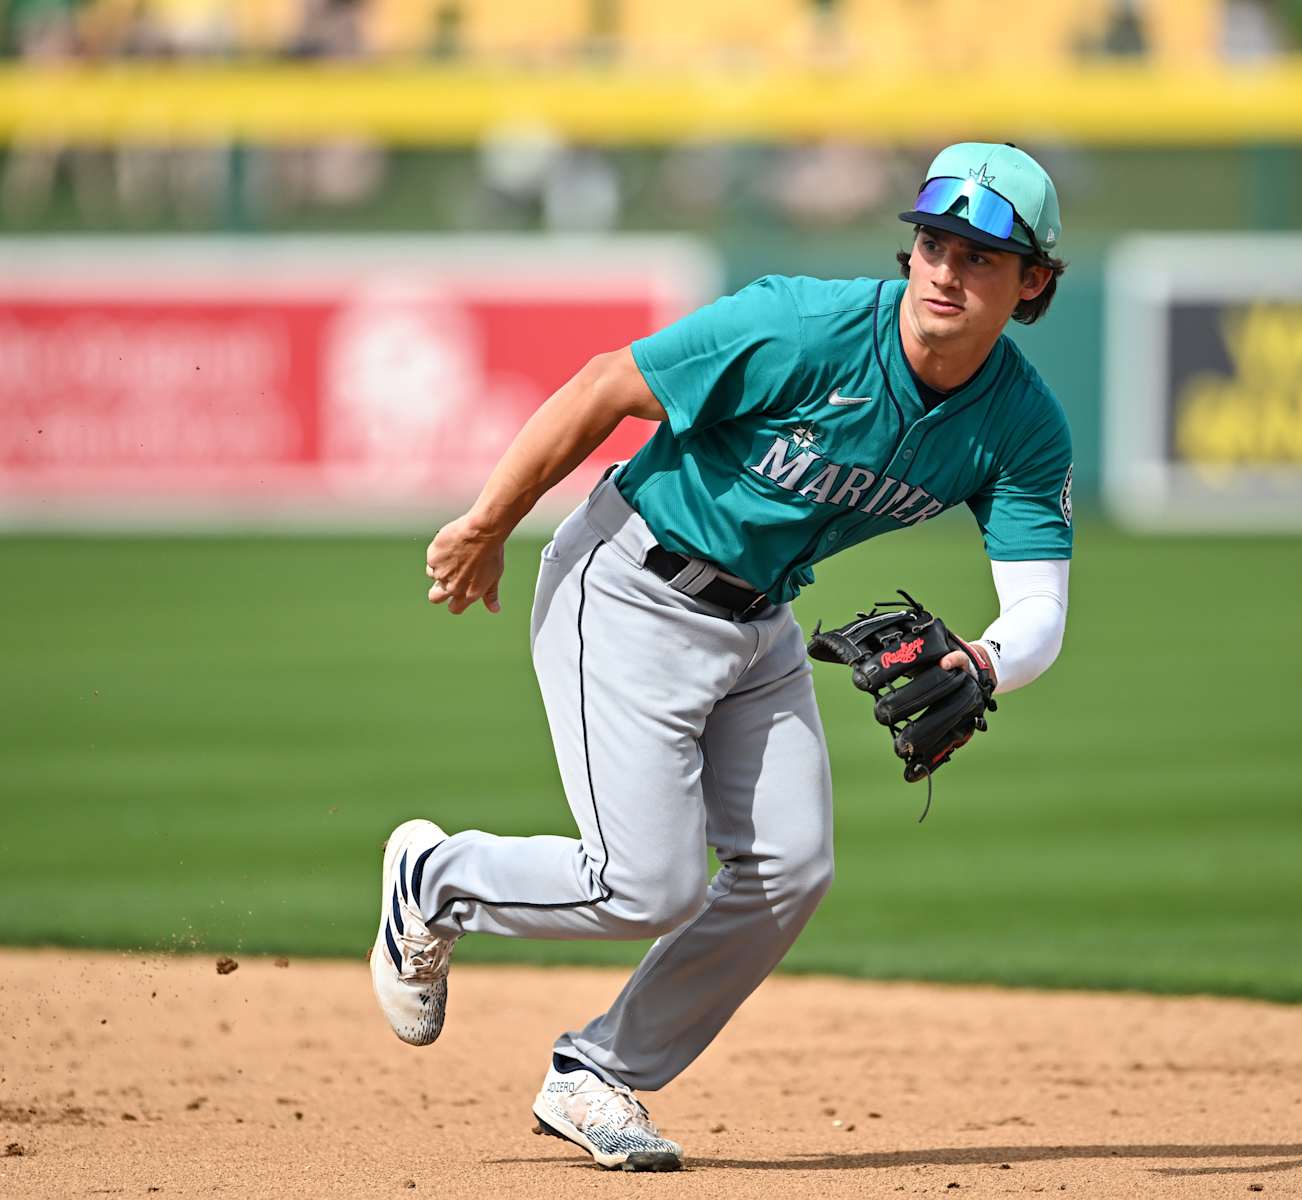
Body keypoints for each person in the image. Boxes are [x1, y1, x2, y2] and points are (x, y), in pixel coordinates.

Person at [368, 141, 1075, 1172]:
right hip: (627, 585)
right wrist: (487, 524)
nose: (944, 271)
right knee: (642, 886)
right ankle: (432, 879)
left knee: (791, 871)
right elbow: (606, 385)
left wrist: (984, 662)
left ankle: (597, 1075)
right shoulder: (804, 326)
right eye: (932, 242)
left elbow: (1040, 611)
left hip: (761, 627)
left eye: (979, 255)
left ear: (1034, 283)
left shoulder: (1020, 424)